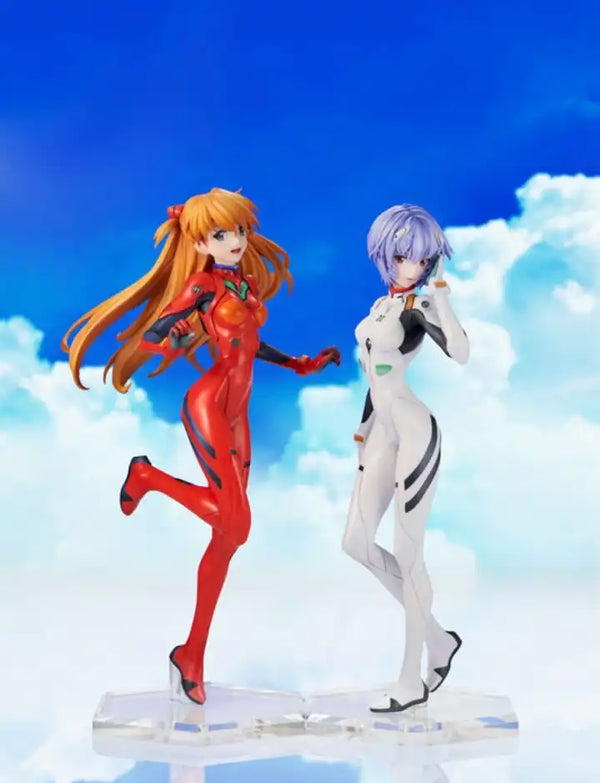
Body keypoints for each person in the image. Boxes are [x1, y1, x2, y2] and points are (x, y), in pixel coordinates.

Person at [62, 187, 340, 704]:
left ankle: (192, 653)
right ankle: (147, 476)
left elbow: (250, 344)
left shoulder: (244, 284)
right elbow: (157, 332)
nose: (235, 240)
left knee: (227, 539)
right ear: (199, 242)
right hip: (209, 404)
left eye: (240, 231)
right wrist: (176, 335)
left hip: (239, 413)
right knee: (238, 524)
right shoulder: (201, 285)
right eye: (221, 233)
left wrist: (296, 364)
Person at [342, 203, 469, 713]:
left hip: (415, 430)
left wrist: (443, 301)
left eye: (420, 258)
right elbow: (375, 375)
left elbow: (460, 352)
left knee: (408, 552)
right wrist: (363, 428)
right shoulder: (381, 306)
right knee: (355, 543)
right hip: (380, 431)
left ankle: (411, 677)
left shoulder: (419, 305)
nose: (409, 266)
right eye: (400, 256)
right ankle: (439, 639)